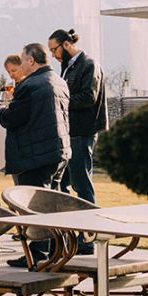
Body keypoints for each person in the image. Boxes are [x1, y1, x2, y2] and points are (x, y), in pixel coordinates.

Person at [0, 44, 73, 268]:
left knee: (35, 205)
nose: (21, 65)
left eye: (23, 60)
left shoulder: (30, 85)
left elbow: (13, 118)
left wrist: (1, 111)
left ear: (31, 60)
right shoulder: (59, 81)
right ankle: (57, 249)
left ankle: (38, 253)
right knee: (52, 203)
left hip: (35, 153)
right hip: (59, 150)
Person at [48, 29, 107, 205]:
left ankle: (89, 221)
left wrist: (59, 101)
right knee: (63, 182)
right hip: (69, 131)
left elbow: (89, 97)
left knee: (81, 183)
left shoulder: (89, 64)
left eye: (54, 50)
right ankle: (68, 221)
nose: (53, 55)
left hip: (82, 131)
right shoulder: (68, 66)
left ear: (66, 44)